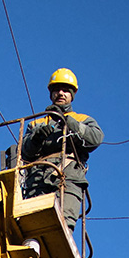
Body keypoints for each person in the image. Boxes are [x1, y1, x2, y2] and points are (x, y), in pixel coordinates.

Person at [19, 68, 103, 231]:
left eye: (66, 90)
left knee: (62, 225)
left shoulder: (82, 119)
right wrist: (36, 138)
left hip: (68, 177)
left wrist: (67, 122)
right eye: (57, 89)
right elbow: (24, 152)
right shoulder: (36, 123)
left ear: (72, 94)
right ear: (51, 93)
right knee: (33, 223)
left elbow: (95, 138)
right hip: (37, 179)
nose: (61, 93)